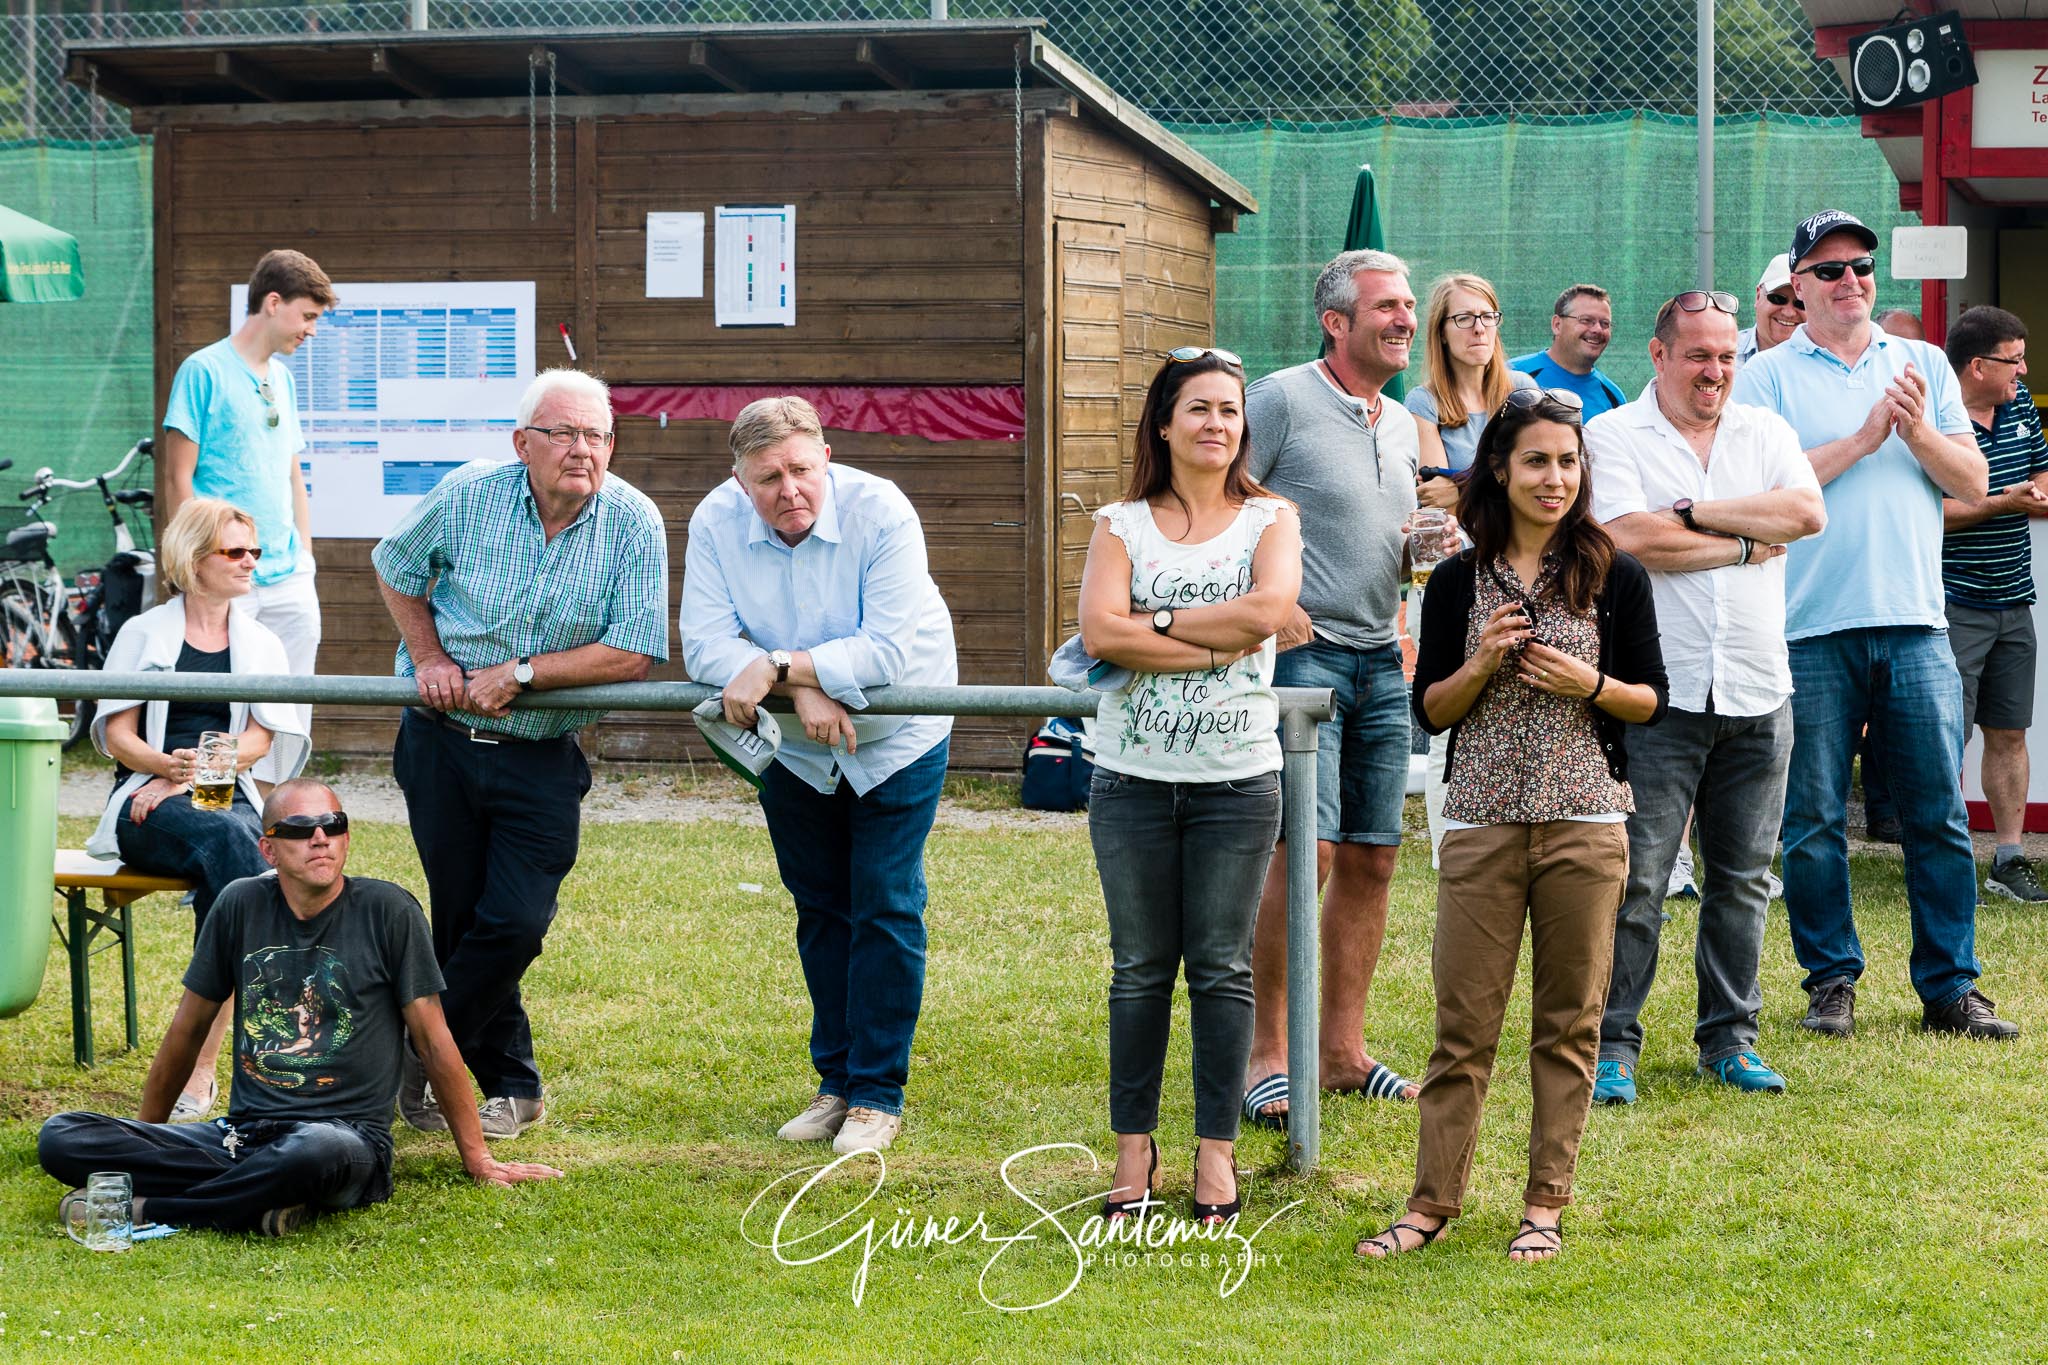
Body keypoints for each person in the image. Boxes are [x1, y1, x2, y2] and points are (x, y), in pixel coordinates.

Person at [1357, 388, 1667, 1263]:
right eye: (1536, 460)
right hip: (1482, 824)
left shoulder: (1615, 571)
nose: (1554, 478)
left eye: (1568, 462)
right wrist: (1485, 659)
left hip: (1586, 823)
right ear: (1499, 467)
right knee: (1463, 1029)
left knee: (1569, 1025)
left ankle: (1544, 1206)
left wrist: (1591, 686)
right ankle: (1430, 1204)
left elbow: (1651, 701)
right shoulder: (1457, 577)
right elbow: (1431, 710)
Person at [38, 780, 562, 1236]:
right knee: (63, 1136)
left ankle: (158, 1209)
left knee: (311, 1153)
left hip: (347, 1140)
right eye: (302, 828)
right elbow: (187, 1030)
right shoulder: (240, 904)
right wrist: (147, 1142)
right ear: (269, 849)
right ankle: (259, 1202)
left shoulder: (388, 911)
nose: (320, 837)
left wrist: (478, 1158)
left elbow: (433, 1040)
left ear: (346, 837)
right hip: (243, 1134)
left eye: (333, 824)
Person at [1732, 209, 2016, 1041]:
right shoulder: (1767, 376)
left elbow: (1970, 480)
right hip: (1808, 626)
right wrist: (1864, 437)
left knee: (1937, 813)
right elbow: (1770, 490)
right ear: (1798, 286)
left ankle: (1951, 987)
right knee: (1813, 818)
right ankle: (1831, 981)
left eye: (1860, 265)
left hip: (1918, 623)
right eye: (1829, 270)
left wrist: (1919, 427)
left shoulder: (1923, 362)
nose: (1850, 279)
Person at [373, 368, 671, 1138]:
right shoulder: (469, 492)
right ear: (522, 443)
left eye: (596, 435)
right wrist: (430, 656)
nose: (582, 449)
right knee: (460, 918)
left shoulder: (634, 521)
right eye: (564, 433)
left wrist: (526, 674)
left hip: (540, 750)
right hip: (438, 743)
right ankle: (513, 1086)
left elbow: (635, 650)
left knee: (514, 922)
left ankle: (411, 1049)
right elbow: (394, 564)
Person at [681, 396, 957, 1156]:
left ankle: (877, 1094)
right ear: (739, 480)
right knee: (820, 906)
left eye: (802, 468)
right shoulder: (714, 521)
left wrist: (777, 664)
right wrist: (801, 683)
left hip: (896, 736)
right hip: (797, 749)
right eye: (767, 477)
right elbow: (702, 640)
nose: (788, 489)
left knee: (885, 902)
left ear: (826, 457)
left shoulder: (883, 512)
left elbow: (888, 653)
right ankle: (834, 1083)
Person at [1584, 290, 1826, 1106]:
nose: (1715, 370)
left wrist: (1697, 514)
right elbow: (1626, 538)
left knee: (1744, 877)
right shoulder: (1611, 435)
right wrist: (1750, 542)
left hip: (1759, 687)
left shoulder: (1765, 431)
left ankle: (1730, 1039)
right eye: (1698, 355)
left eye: (1725, 355)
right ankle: (1611, 1045)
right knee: (1640, 877)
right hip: (1660, 694)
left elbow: (1806, 511)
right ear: (1659, 356)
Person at [1077, 347, 1301, 1224]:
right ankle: (1134, 1150)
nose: (1216, 423)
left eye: (1229, 410)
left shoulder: (1269, 518)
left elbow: (1268, 611)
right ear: (1164, 423)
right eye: (1199, 408)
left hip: (1236, 783)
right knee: (1137, 972)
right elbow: (1101, 632)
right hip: (1131, 781)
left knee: (1219, 966)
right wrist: (1206, 642)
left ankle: (1216, 1154)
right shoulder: (1119, 523)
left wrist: (1152, 623)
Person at [1240, 249, 1424, 1129]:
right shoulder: (1279, 398)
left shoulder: (1399, 420)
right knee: (1302, 854)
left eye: (1409, 304)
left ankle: (1342, 1052)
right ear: (1336, 321)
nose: (1405, 319)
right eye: (1387, 306)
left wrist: (1407, 600)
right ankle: (1266, 1052)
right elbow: (1223, 494)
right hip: (1302, 656)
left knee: (1373, 855)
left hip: (1382, 655)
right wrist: (1269, 607)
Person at [87, 497, 310, 1124]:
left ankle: (209, 1059)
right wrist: (165, 772)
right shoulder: (143, 632)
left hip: (222, 794)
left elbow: (264, 738)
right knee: (243, 855)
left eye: (256, 552)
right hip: (145, 802)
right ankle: (256, 1040)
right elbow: (118, 735)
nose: (250, 563)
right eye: (235, 552)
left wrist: (197, 774)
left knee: (246, 851)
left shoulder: (260, 641)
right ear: (194, 558)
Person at [163, 250, 333, 784]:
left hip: (289, 574)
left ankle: (273, 822)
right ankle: (217, 812)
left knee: (289, 707)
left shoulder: (282, 379)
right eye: (307, 316)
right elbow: (176, 478)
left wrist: (304, 553)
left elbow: (292, 472)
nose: (311, 330)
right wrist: (191, 567)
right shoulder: (203, 370)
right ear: (273, 302)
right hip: (226, 574)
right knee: (224, 704)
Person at [1405, 272, 1538, 864]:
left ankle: (1522, 834)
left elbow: (1538, 482)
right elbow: (1433, 491)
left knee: (1524, 701)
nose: (1479, 329)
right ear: (1442, 329)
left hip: (1528, 567)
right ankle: (1450, 847)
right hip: (1452, 577)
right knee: (1448, 713)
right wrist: (1493, 481)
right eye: (1464, 318)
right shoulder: (1423, 400)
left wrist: (1468, 487)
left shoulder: (1525, 393)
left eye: (1488, 316)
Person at [1939, 306, 2048, 901]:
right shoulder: (1938, 421)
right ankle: (1944, 860)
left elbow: (2042, 473)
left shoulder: (2020, 405)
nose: (2023, 370)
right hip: (1952, 605)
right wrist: (2000, 504)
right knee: (1943, 736)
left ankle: (2009, 859)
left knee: (2009, 732)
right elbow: (1927, 515)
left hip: (2014, 600)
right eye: (2014, 359)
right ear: (1977, 365)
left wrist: (2031, 495)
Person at [1511, 285, 1628, 419]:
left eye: (1605, 323)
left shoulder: (1613, 398)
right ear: (1557, 325)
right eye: (1586, 320)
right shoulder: (1515, 376)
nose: (1597, 329)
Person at [1736, 254, 1802, 367]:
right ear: (1758, 296)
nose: (1789, 312)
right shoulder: (1723, 352)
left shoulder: (1827, 364)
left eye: (1801, 303)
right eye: (1778, 299)